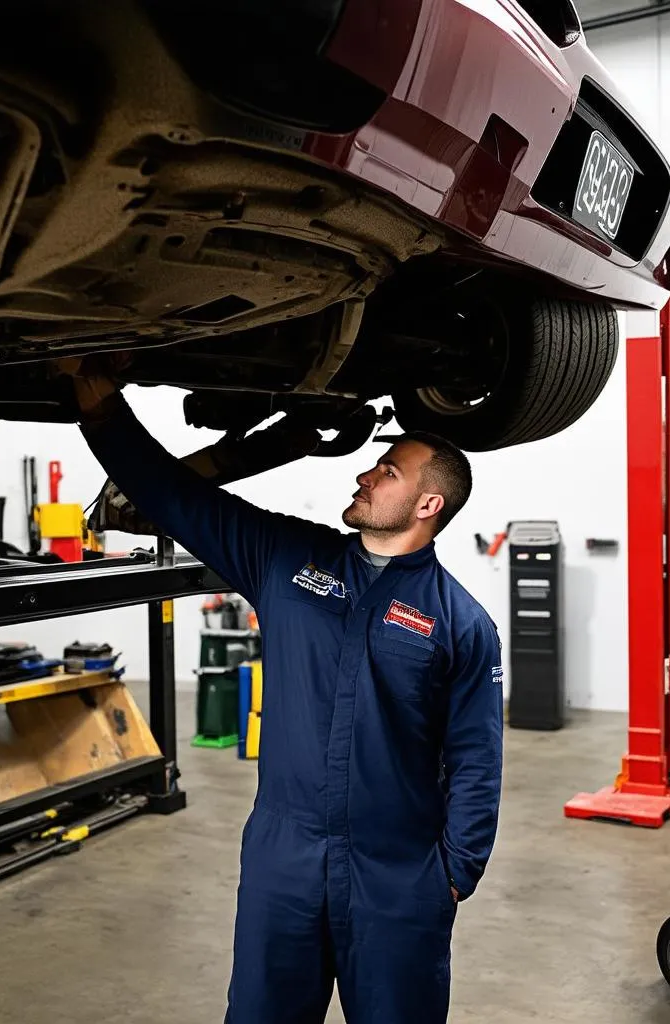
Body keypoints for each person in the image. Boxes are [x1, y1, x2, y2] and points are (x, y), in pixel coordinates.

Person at [62, 362, 504, 1024]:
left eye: (387, 473)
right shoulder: (289, 559)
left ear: (427, 505)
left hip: (396, 874)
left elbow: (476, 758)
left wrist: (452, 874)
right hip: (284, 860)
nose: (364, 475)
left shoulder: (460, 622)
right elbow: (179, 497)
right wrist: (103, 413)